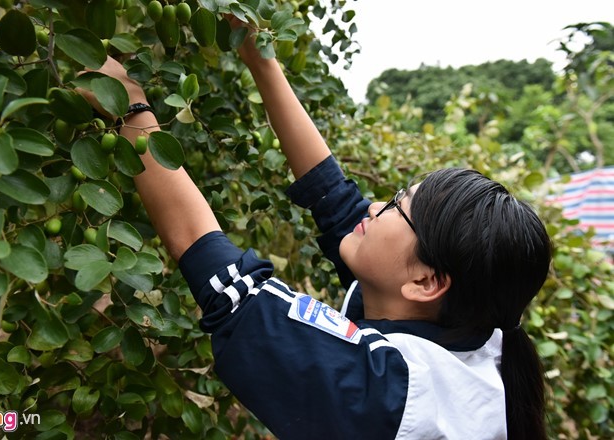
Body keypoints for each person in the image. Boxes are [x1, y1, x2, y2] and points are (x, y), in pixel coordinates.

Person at [79, 21, 552, 440]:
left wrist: (130, 109)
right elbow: (336, 201)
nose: (371, 205)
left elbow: (229, 290)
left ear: (427, 282)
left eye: (394, 206)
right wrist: (259, 57)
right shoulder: (467, 328)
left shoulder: (389, 395)